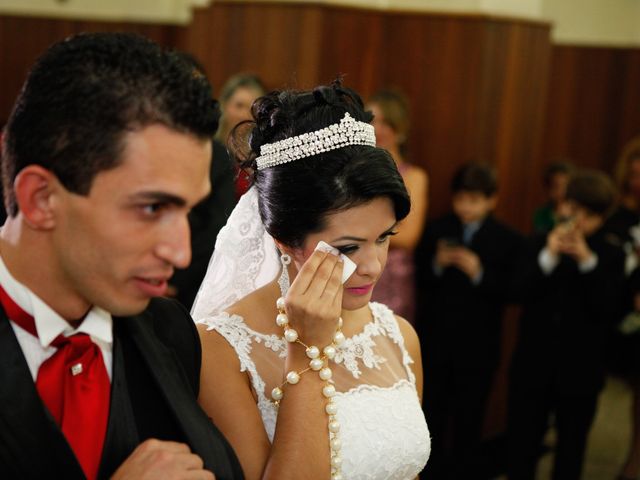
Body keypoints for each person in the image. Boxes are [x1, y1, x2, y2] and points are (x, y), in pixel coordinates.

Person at [0, 32, 242, 479]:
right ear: (41, 199)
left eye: (190, 210)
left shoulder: (170, 332)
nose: (182, 252)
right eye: (152, 208)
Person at [192, 81, 430, 479]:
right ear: (285, 239)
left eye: (385, 237)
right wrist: (305, 352)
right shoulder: (220, 350)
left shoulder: (399, 336)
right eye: (350, 247)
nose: (373, 266)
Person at [507, 169, 625, 480]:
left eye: (588, 215)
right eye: (573, 210)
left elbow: (610, 308)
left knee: (571, 448)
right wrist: (549, 256)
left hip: (581, 371)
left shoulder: (611, 252)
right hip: (533, 364)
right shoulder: (539, 242)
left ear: (602, 217)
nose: (578, 221)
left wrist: (587, 261)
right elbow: (518, 291)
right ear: (563, 206)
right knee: (523, 444)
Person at [414, 162, 522, 479]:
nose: (466, 208)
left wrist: (479, 273)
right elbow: (419, 278)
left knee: (470, 418)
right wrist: (436, 263)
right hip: (437, 342)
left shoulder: (508, 239)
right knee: (431, 415)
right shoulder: (437, 229)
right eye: (461, 199)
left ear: (492, 200)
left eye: (475, 200)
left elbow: (513, 291)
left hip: (479, 347)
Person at [367, 89, 428, 324]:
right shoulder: (351, 170)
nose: (377, 129)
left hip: (393, 275)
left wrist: (358, 233)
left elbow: (409, 236)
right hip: (354, 268)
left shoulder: (413, 176)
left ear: (400, 128)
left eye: (385, 122)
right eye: (372, 120)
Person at [215, 73, 267, 199]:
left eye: (252, 108)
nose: (245, 115)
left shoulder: (265, 156)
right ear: (224, 106)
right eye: (239, 106)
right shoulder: (210, 150)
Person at [532, 161, 574, 234]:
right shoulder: (542, 214)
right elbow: (540, 239)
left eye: (566, 186)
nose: (562, 191)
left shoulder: (580, 213)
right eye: (556, 187)